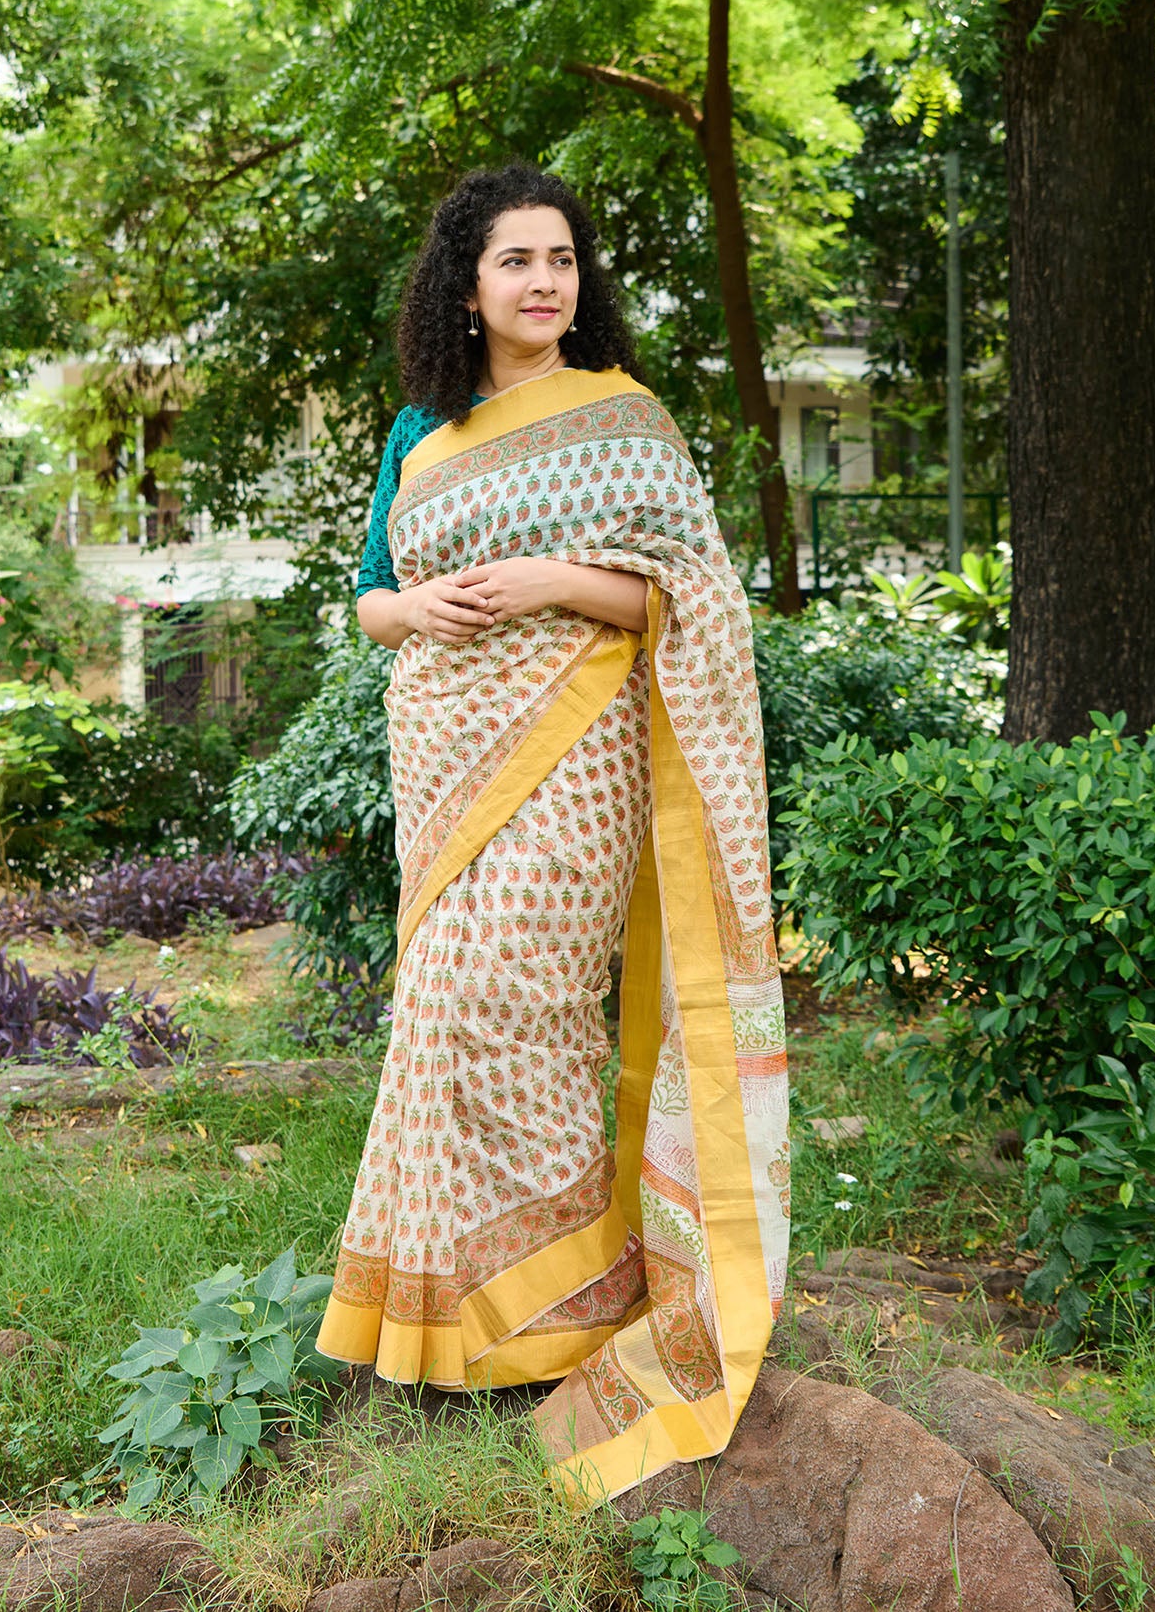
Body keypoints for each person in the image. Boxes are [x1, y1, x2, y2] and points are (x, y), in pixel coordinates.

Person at [315, 164, 789, 1505]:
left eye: (562, 260)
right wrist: (425, 613)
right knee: (441, 1010)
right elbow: (369, 599)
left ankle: (561, 1318)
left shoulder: (626, 425)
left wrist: (547, 581)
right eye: (516, 259)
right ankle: (443, 1328)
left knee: (521, 1001)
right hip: (446, 754)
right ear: (465, 284)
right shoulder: (424, 427)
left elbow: (682, 595)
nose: (543, 280)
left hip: (580, 758)